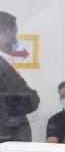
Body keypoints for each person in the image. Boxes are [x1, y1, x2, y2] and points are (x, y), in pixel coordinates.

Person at [0, 11, 40, 142]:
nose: (15, 39)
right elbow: (31, 100)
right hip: (7, 139)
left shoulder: (5, 63)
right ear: (8, 33)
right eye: (15, 33)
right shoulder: (3, 66)